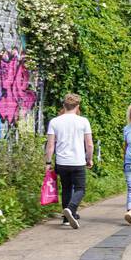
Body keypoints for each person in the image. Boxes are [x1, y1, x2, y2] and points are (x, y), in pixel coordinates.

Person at [44, 93, 93, 229]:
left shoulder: (55, 121)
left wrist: (48, 162)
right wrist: (89, 159)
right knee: (80, 189)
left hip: (62, 162)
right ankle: (71, 209)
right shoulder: (83, 121)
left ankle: (66, 218)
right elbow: (89, 144)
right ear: (77, 106)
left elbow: (50, 145)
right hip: (77, 161)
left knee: (66, 188)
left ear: (64, 105)